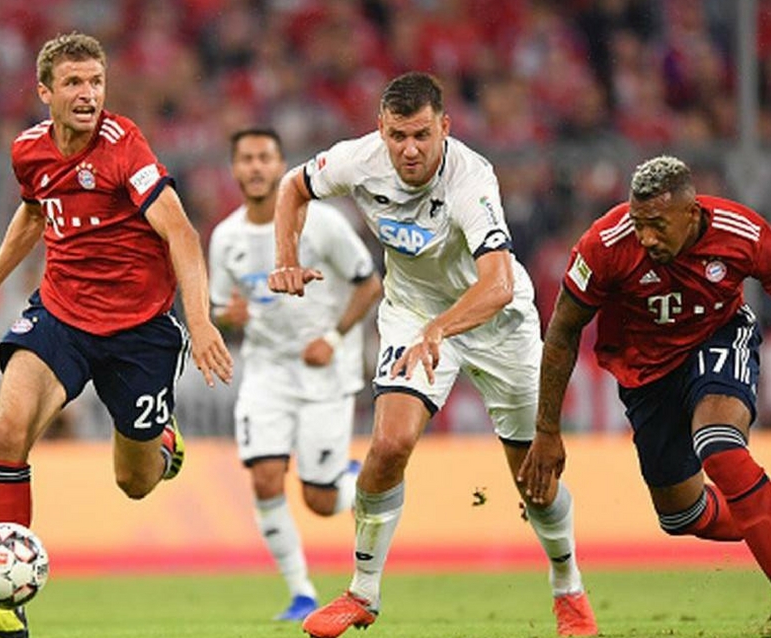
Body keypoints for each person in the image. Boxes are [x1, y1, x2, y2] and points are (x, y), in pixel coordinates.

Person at [268, 71, 599, 638]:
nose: (409, 150)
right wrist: (285, 258)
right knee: (388, 445)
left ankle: (568, 589)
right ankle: (362, 592)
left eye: (422, 134)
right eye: (398, 136)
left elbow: (497, 284)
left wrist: (440, 331)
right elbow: (292, 187)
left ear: (445, 126)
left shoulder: (472, 179)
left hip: (497, 324)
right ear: (381, 129)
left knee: (533, 479)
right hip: (413, 312)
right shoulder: (357, 160)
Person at [0, 33, 233, 638]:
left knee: (135, 483)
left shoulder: (125, 148)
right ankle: (5, 607)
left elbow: (181, 233)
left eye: (96, 82)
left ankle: (162, 444)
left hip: (138, 331)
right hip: (62, 315)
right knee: (8, 431)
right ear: (45, 92)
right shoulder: (28, 150)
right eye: (73, 83)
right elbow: (34, 211)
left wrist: (199, 321)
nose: (88, 94)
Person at [519, 155, 771, 635]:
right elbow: (564, 330)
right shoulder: (604, 245)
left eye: (657, 225)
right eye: (639, 224)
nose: (647, 237)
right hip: (646, 374)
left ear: (691, 213)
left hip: (716, 336)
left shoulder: (741, 231)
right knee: (682, 516)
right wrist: (547, 429)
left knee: (719, 445)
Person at [209, 128, 383, 621]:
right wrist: (228, 318)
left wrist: (333, 338)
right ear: (234, 169)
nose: (256, 167)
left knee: (320, 501)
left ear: (282, 166)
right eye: (246, 158)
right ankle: (301, 592)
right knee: (265, 480)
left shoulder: (323, 223)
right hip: (266, 372)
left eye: (265, 158)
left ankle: (351, 480)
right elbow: (220, 308)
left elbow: (369, 284)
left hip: (325, 372)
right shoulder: (225, 237)